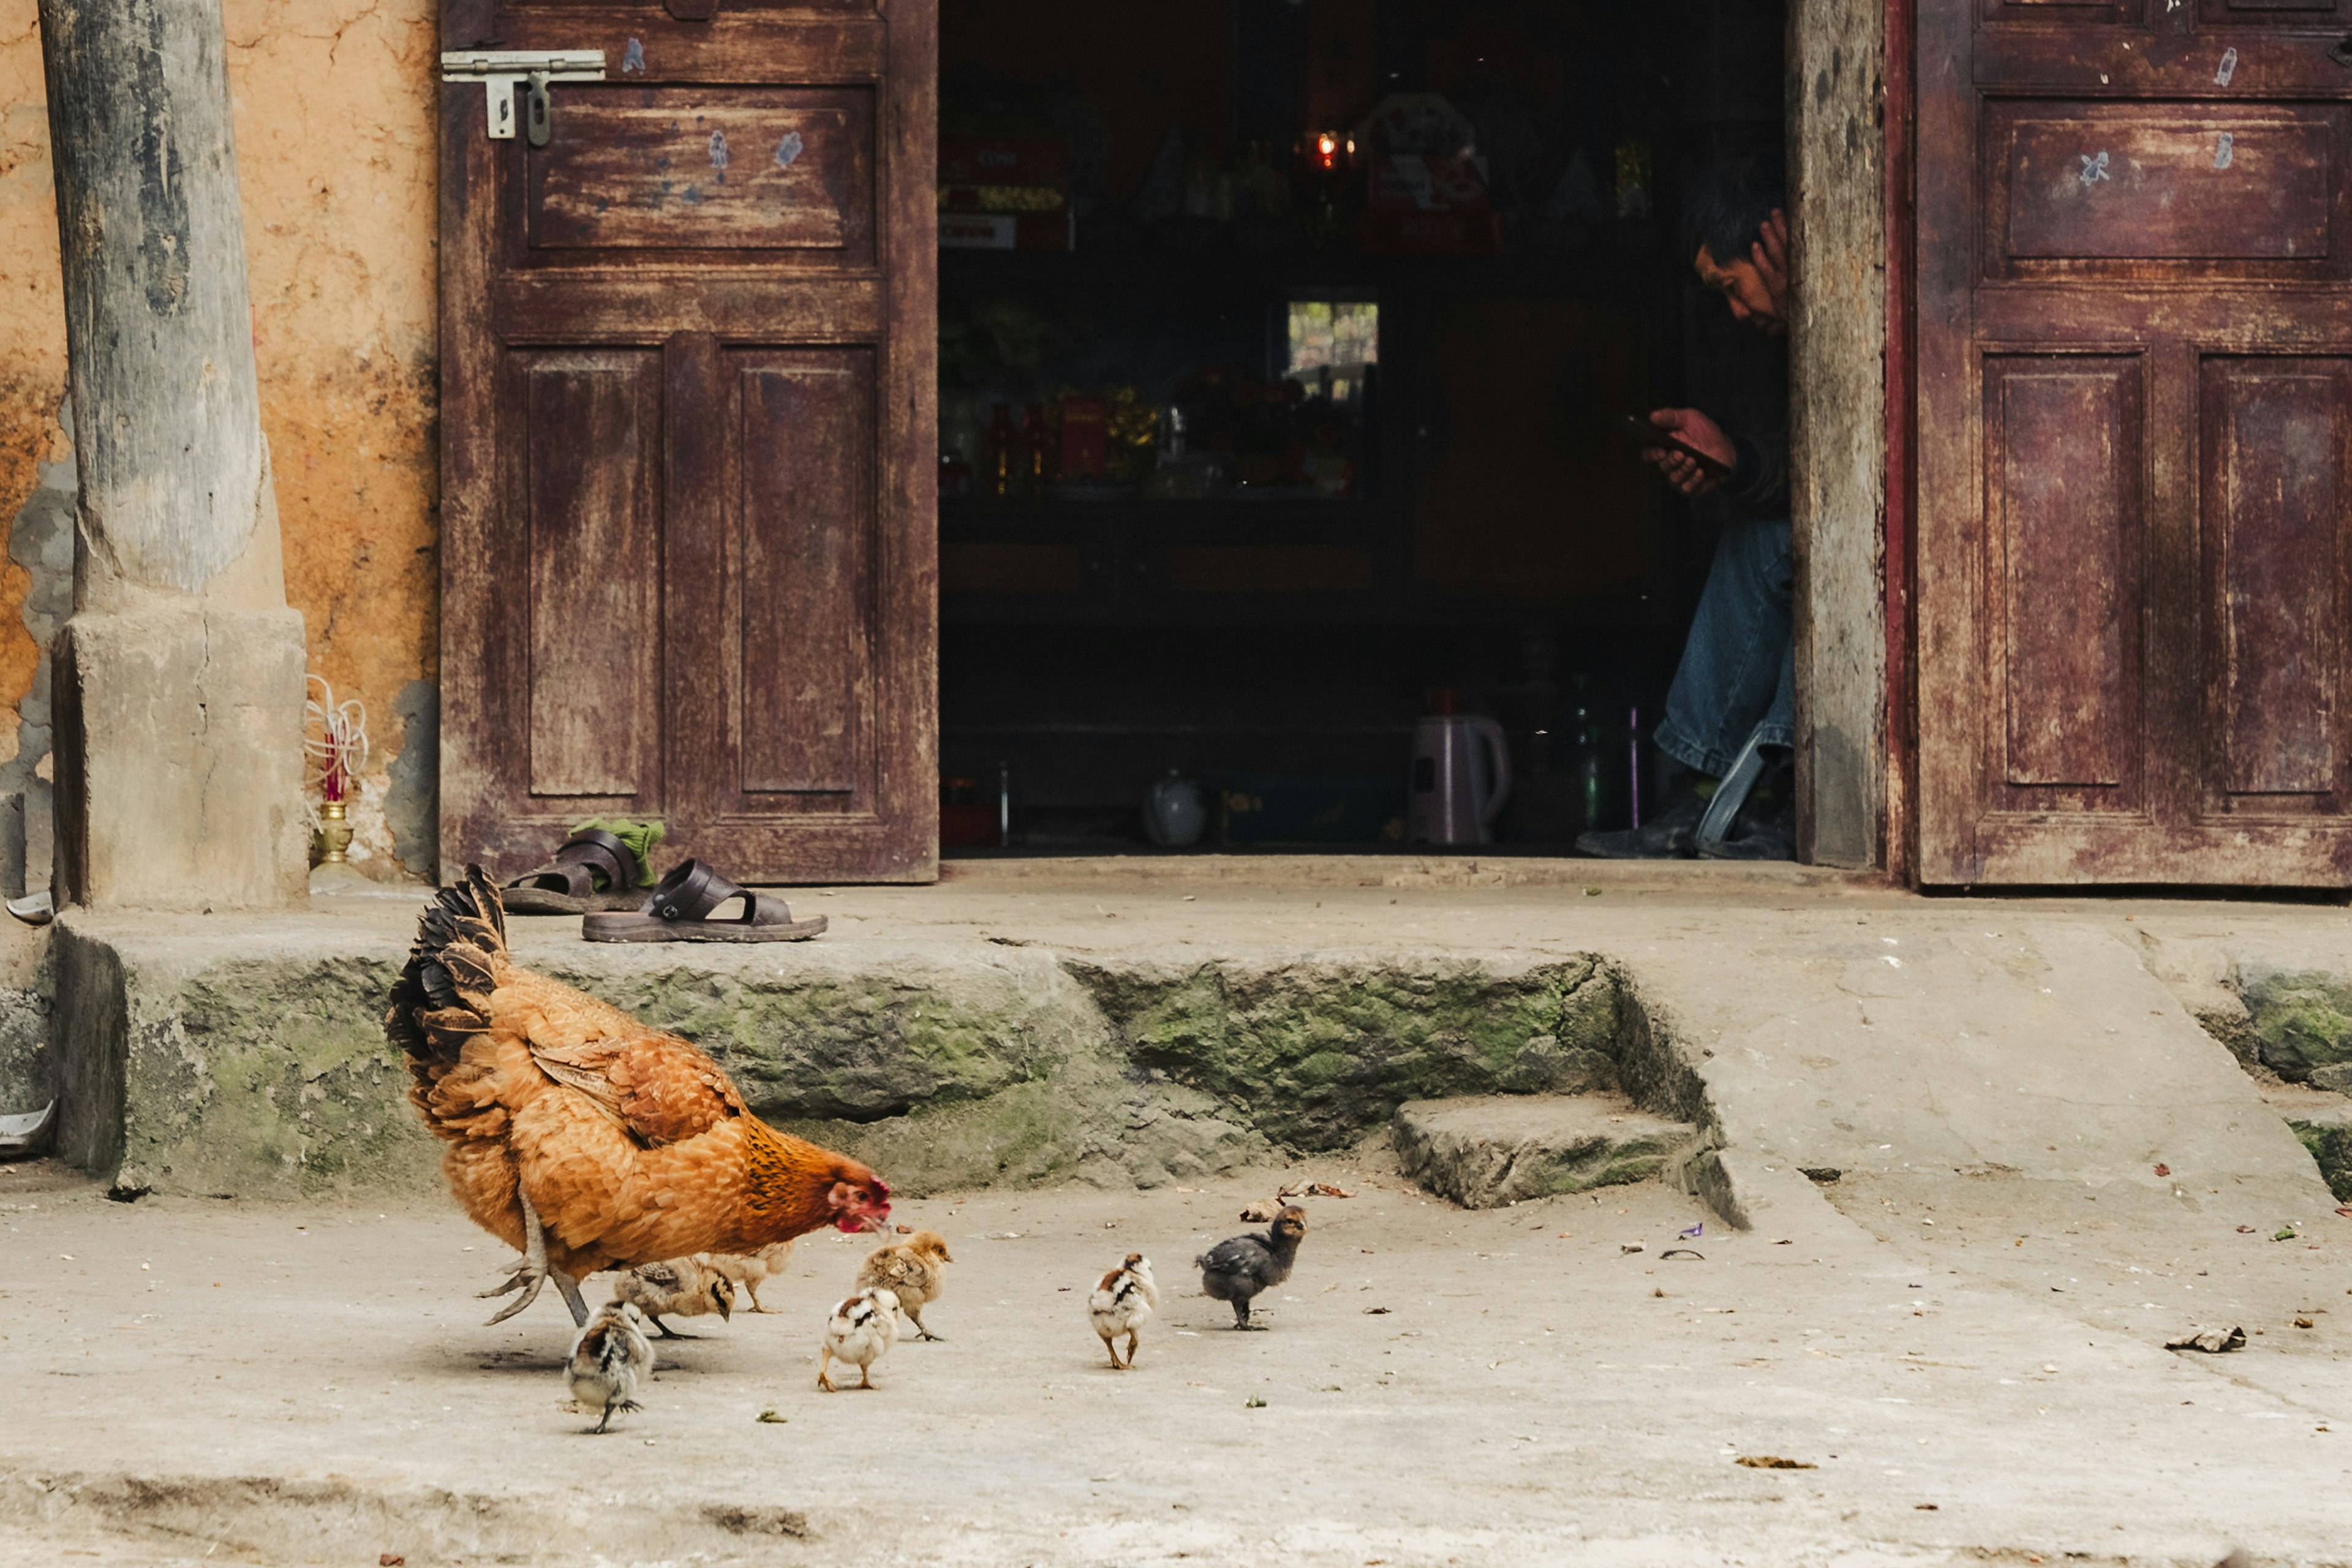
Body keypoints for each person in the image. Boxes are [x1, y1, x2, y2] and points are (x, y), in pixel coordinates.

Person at [1578, 154, 1793, 860]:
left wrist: (1806, 321)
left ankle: (1766, 796)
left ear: (1773, 245)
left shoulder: (1828, 317)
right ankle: (1703, 790)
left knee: (1776, 541)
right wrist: (1733, 458)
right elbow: (1801, 471)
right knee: (1758, 534)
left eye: (1733, 286)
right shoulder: (1780, 336)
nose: (1736, 310)